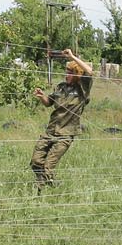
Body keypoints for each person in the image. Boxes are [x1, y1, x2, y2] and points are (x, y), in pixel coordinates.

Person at [29, 48, 94, 191]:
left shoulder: (82, 89)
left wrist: (72, 56)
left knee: (47, 166)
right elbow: (49, 103)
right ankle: (51, 184)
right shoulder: (60, 87)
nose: (66, 75)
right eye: (66, 72)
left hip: (65, 134)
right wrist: (41, 97)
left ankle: (38, 191)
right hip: (50, 130)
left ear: (77, 75)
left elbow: (89, 71)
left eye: (70, 73)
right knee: (35, 162)